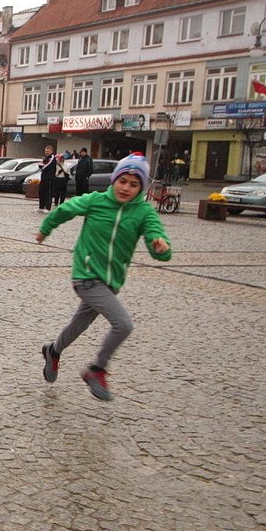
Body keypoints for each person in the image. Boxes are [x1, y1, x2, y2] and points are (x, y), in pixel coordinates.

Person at [36, 154, 173, 401]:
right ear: (114, 180)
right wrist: (45, 229)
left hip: (111, 281)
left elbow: (157, 236)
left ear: (141, 187)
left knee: (79, 324)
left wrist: (160, 247)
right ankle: (97, 369)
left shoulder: (144, 212)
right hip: (86, 274)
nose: (126, 188)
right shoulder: (97, 201)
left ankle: (53, 351)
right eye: (123, 181)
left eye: (133, 184)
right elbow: (66, 208)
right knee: (123, 325)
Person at [37, 145, 56, 213]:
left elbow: (46, 166)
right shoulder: (45, 158)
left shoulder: (52, 158)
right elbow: (40, 165)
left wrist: (42, 167)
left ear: (51, 151)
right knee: (41, 192)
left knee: (48, 193)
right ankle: (41, 206)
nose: (46, 152)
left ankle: (47, 207)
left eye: (48, 151)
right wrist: (41, 166)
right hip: (43, 177)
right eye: (45, 151)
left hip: (49, 178)